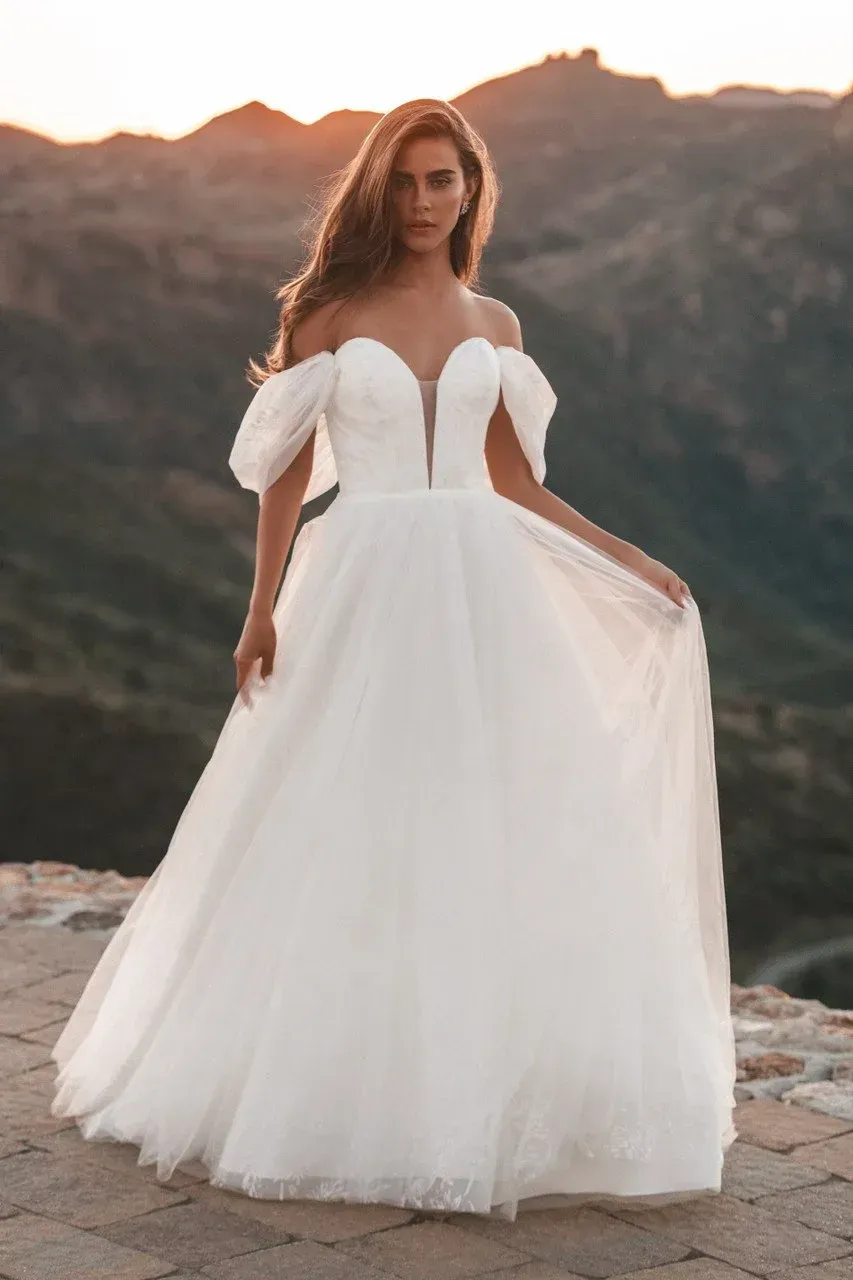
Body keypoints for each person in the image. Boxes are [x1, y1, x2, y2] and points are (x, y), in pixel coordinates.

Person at [51, 98, 738, 1223]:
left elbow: (511, 482)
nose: (423, 202)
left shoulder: (498, 324)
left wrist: (631, 559)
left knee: (499, 821)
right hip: (360, 584)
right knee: (349, 819)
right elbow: (286, 471)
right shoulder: (328, 313)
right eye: (407, 181)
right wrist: (259, 608)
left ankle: (490, 1083)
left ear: (471, 190)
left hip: (485, 589)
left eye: (442, 181)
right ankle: (337, 1081)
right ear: (381, 188)